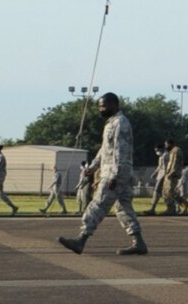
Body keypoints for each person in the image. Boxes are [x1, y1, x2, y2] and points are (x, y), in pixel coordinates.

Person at [57, 93, 147, 256]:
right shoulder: (111, 123)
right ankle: (138, 242)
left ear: (114, 104)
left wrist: (114, 175)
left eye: (103, 106)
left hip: (115, 173)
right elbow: (105, 150)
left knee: (98, 204)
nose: (100, 109)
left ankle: (81, 239)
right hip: (115, 172)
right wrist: (92, 167)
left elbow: (122, 151)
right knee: (123, 207)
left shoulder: (121, 122)